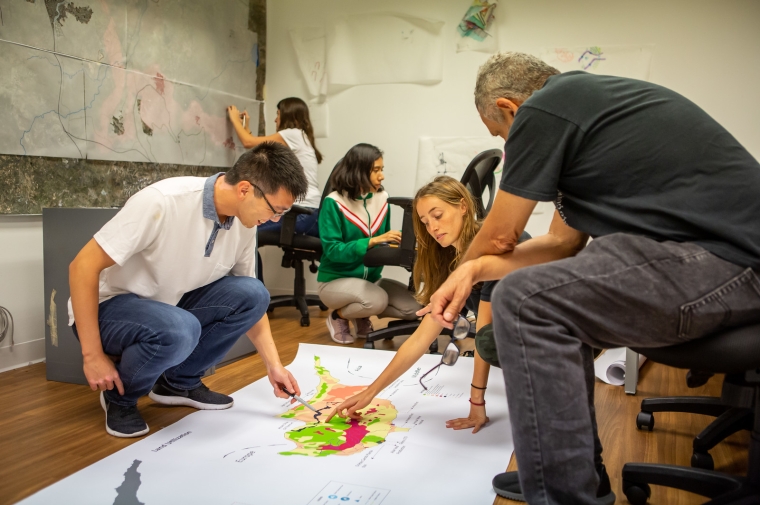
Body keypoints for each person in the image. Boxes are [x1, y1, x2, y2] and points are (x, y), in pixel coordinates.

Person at [424, 52, 760, 504]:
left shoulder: (548, 105)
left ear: (509, 108)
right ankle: (578, 474)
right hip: (709, 257)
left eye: (502, 134)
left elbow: (501, 234)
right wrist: (477, 268)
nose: (509, 146)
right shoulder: (587, 113)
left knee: (525, 303)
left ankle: (569, 493)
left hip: (736, 262)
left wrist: (456, 279)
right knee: (553, 291)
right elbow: (561, 245)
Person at [68, 142, 309, 438]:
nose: (275, 220)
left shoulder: (246, 224)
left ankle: (178, 383)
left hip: (169, 308)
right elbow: (81, 267)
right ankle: (120, 397)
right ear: (245, 189)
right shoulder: (163, 201)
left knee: (254, 293)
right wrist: (91, 355)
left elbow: (253, 305)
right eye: (275, 210)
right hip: (110, 308)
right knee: (181, 328)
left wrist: (274, 366)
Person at [327, 176, 529, 433]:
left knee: (487, 341)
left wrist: (476, 402)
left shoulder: (491, 249)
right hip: (511, 333)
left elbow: (484, 336)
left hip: (544, 329)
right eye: (425, 221)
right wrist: (370, 392)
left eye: (438, 215)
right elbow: (421, 337)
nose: (432, 227)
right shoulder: (450, 258)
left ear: (463, 207)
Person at [317, 143, 420, 344]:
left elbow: (385, 241)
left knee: (414, 308)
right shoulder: (334, 202)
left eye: (381, 170)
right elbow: (332, 251)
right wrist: (373, 241)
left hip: (371, 281)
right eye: (375, 170)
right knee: (377, 300)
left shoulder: (383, 198)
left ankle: (361, 313)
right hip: (335, 282)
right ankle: (339, 315)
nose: (381, 176)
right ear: (358, 172)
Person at [227, 97, 322, 237]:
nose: (275, 119)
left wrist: (234, 119)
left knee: (245, 234)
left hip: (300, 213)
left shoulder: (293, 134)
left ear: (288, 115)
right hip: (310, 213)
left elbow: (248, 142)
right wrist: (246, 126)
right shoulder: (301, 136)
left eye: (278, 114)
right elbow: (258, 148)